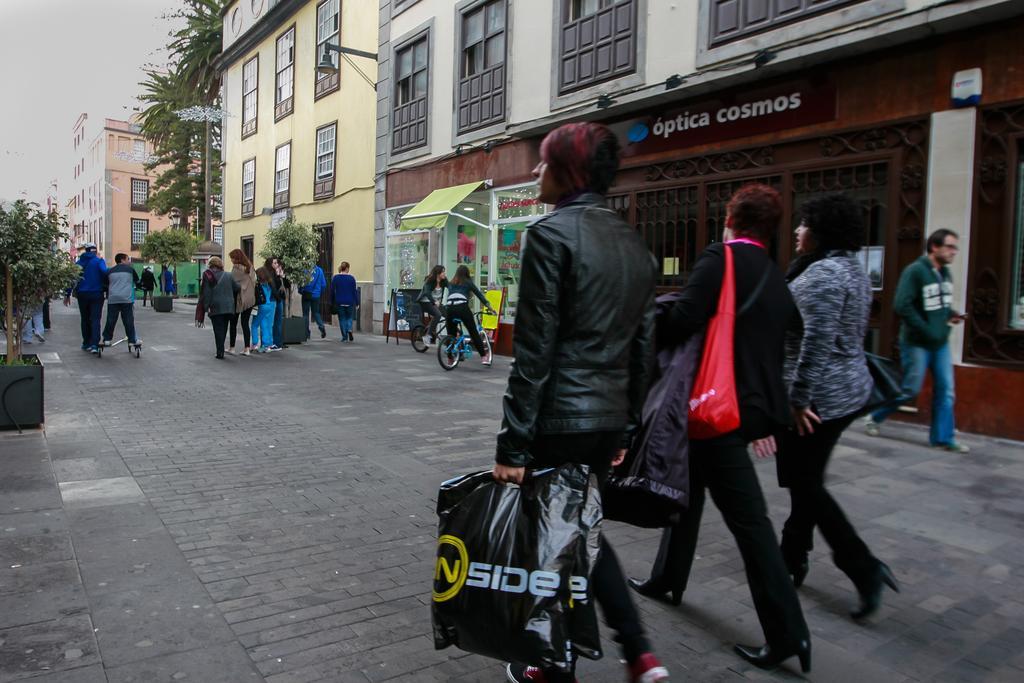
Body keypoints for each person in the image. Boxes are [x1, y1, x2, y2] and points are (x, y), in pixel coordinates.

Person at [492, 122, 668, 683]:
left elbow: (534, 353)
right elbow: (644, 350)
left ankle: (554, 662)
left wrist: (512, 444)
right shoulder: (633, 244)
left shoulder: (551, 235)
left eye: (544, 163)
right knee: (581, 529)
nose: (535, 172)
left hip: (558, 418)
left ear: (567, 171)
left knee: (548, 540)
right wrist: (624, 429)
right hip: (605, 417)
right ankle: (639, 651)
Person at [628, 183, 811, 673]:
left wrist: (649, 324)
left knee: (751, 524)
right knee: (687, 489)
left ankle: (789, 633)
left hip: (715, 409)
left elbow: (686, 318)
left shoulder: (721, 258)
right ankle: (667, 577)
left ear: (732, 220)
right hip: (746, 409)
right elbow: (788, 335)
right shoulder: (775, 276)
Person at [765, 194, 899, 620]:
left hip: (819, 400)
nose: (798, 230)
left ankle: (863, 567)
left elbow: (815, 345)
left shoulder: (823, 276)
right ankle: (792, 558)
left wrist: (797, 401)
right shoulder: (849, 270)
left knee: (805, 484)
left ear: (821, 231)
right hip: (844, 393)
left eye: (804, 223)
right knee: (806, 481)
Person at [864, 228, 969, 452]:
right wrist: (927, 329)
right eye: (949, 246)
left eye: (955, 247)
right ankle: (874, 416)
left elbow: (937, 304)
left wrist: (951, 314)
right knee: (910, 390)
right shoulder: (915, 271)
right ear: (934, 247)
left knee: (946, 390)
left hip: (939, 343)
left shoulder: (945, 274)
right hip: (916, 343)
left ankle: (943, 438)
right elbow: (902, 305)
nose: (954, 252)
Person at [444, 265, 495, 366]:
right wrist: (490, 307)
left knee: (451, 335)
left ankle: (450, 359)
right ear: (467, 273)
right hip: (462, 307)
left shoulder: (451, 283)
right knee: (473, 332)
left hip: (449, 309)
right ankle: (484, 357)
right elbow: (479, 295)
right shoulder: (468, 282)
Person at [63, 242, 108, 353]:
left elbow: (72, 279)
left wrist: (67, 294)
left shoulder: (79, 263)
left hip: (82, 294)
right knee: (96, 319)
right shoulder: (99, 261)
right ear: (95, 250)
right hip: (97, 294)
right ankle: (94, 344)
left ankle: (86, 343)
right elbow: (105, 272)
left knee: (85, 318)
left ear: (86, 250)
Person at [196, 256, 240, 359]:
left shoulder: (208, 276)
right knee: (223, 329)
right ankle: (221, 349)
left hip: (215, 307)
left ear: (210, 265)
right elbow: (237, 288)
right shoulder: (228, 275)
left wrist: (206, 307)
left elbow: (206, 293)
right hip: (229, 307)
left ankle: (220, 352)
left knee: (218, 330)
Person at [101, 253, 140, 347]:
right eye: (128, 259)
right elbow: (137, 281)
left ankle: (107, 339)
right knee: (128, 320)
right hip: (126, 299)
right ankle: (131, 340)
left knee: (111, 319)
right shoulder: (130, 270)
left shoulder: (110, 271)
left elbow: (105, 284)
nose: (129, 261)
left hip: (113, 299)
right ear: (122, 260)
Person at [228, 249, 257, 356]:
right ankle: (247, 349)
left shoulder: (236, 269)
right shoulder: (250, 267)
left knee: (233, 323)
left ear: (236, 258)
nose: (231, 260)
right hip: (250, 299)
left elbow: (232, 283)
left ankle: (232, 347)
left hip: (238, 299)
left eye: (232, 258)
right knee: (245, 324)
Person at [416, 265, 447, 345]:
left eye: (444, 271)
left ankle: (452, 336)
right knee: (438, 315)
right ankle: (428, 335)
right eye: (443, 272)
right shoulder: (429, 281)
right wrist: (434, 302)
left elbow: (451, 287)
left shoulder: (444, 281)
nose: (444, 273)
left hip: (435, 303)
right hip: (426, 302)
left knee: (449, 315)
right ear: (437, 273)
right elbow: (427, 292)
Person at [330, 262, 360, 342]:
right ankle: (349, 329)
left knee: (342, 319)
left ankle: (344, 337)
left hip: (339, 301)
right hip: (350, 301)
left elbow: (332, 291)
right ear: (347, 268)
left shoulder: (336, 278)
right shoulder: (352, 278)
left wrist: (331, 301)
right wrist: (357, 303)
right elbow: (354, 291)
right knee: (349, 317)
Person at [251, 266, 277, 353]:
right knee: (265, 325)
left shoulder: (258, 284)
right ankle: (267, 345)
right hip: (269, 305)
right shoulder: (269, 283)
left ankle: (254, 344)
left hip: (261, 306)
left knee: (254, 325)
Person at [300, 262, 328, 340]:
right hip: (316, 295)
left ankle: (306, 333)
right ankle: (321, 326)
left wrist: (301, 291)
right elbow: (323, 285)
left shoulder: (304, 270)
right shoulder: (320, 270)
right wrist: (319, 292)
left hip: (306, 294)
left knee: (305, 314)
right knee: (316, 312)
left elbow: (301, 283)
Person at [264, 257, 286, 350]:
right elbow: (274, 287)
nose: (277, 265)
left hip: (278, 299)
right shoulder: (269, 274)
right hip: (273, 299)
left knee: (278, 322)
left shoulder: (278, 274)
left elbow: (287, 285)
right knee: (270, 323)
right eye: (275, 263)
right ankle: (269, 343)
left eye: (277, 263)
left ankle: (277, 343)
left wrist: (282, 277)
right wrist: (277, 276)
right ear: (270, 264)